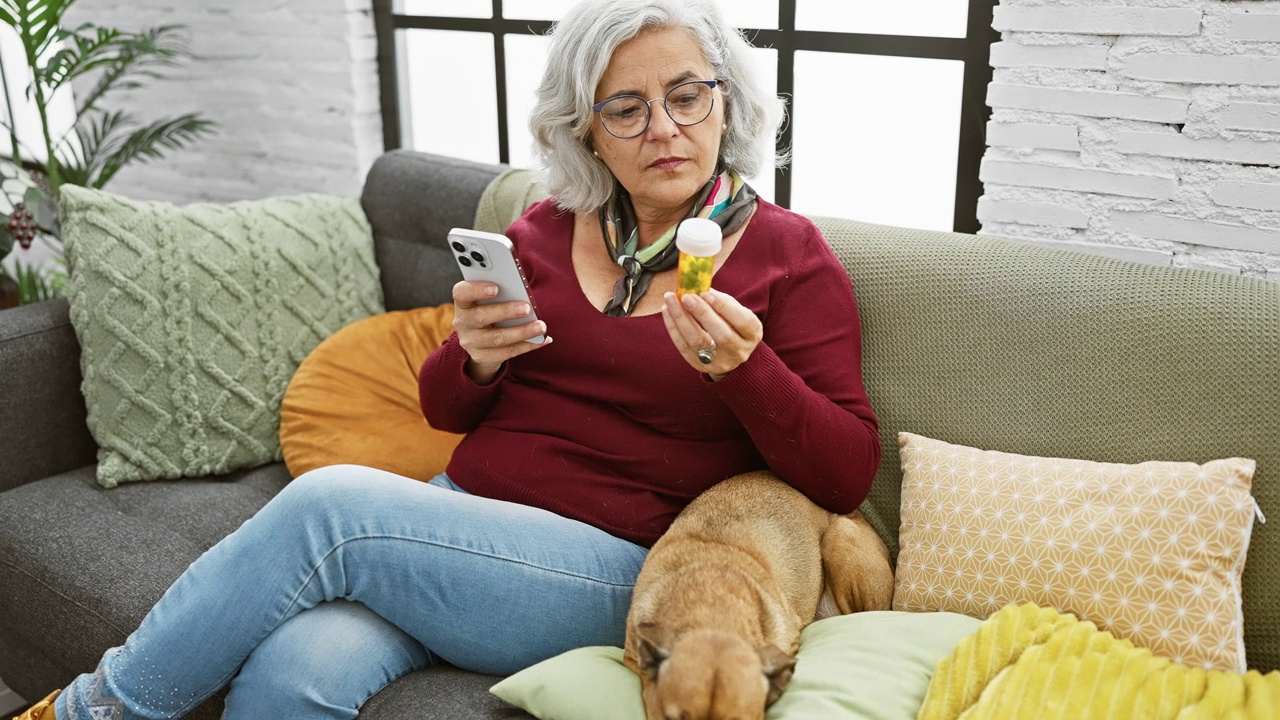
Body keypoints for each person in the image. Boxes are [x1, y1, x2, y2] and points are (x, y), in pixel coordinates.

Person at [14, 0, 880, 718]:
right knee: (290, 676)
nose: (664, 128)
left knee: (329, 506)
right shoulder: (541, 232)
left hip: (618, 563)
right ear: (586, 131)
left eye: (688, 95)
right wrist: (475, 360)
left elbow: (845, 474)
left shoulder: (786, 256)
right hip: (454, 519)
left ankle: (92, 710)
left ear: (727, 102)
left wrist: (746, 372)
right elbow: (444, 408)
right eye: (627, 107)